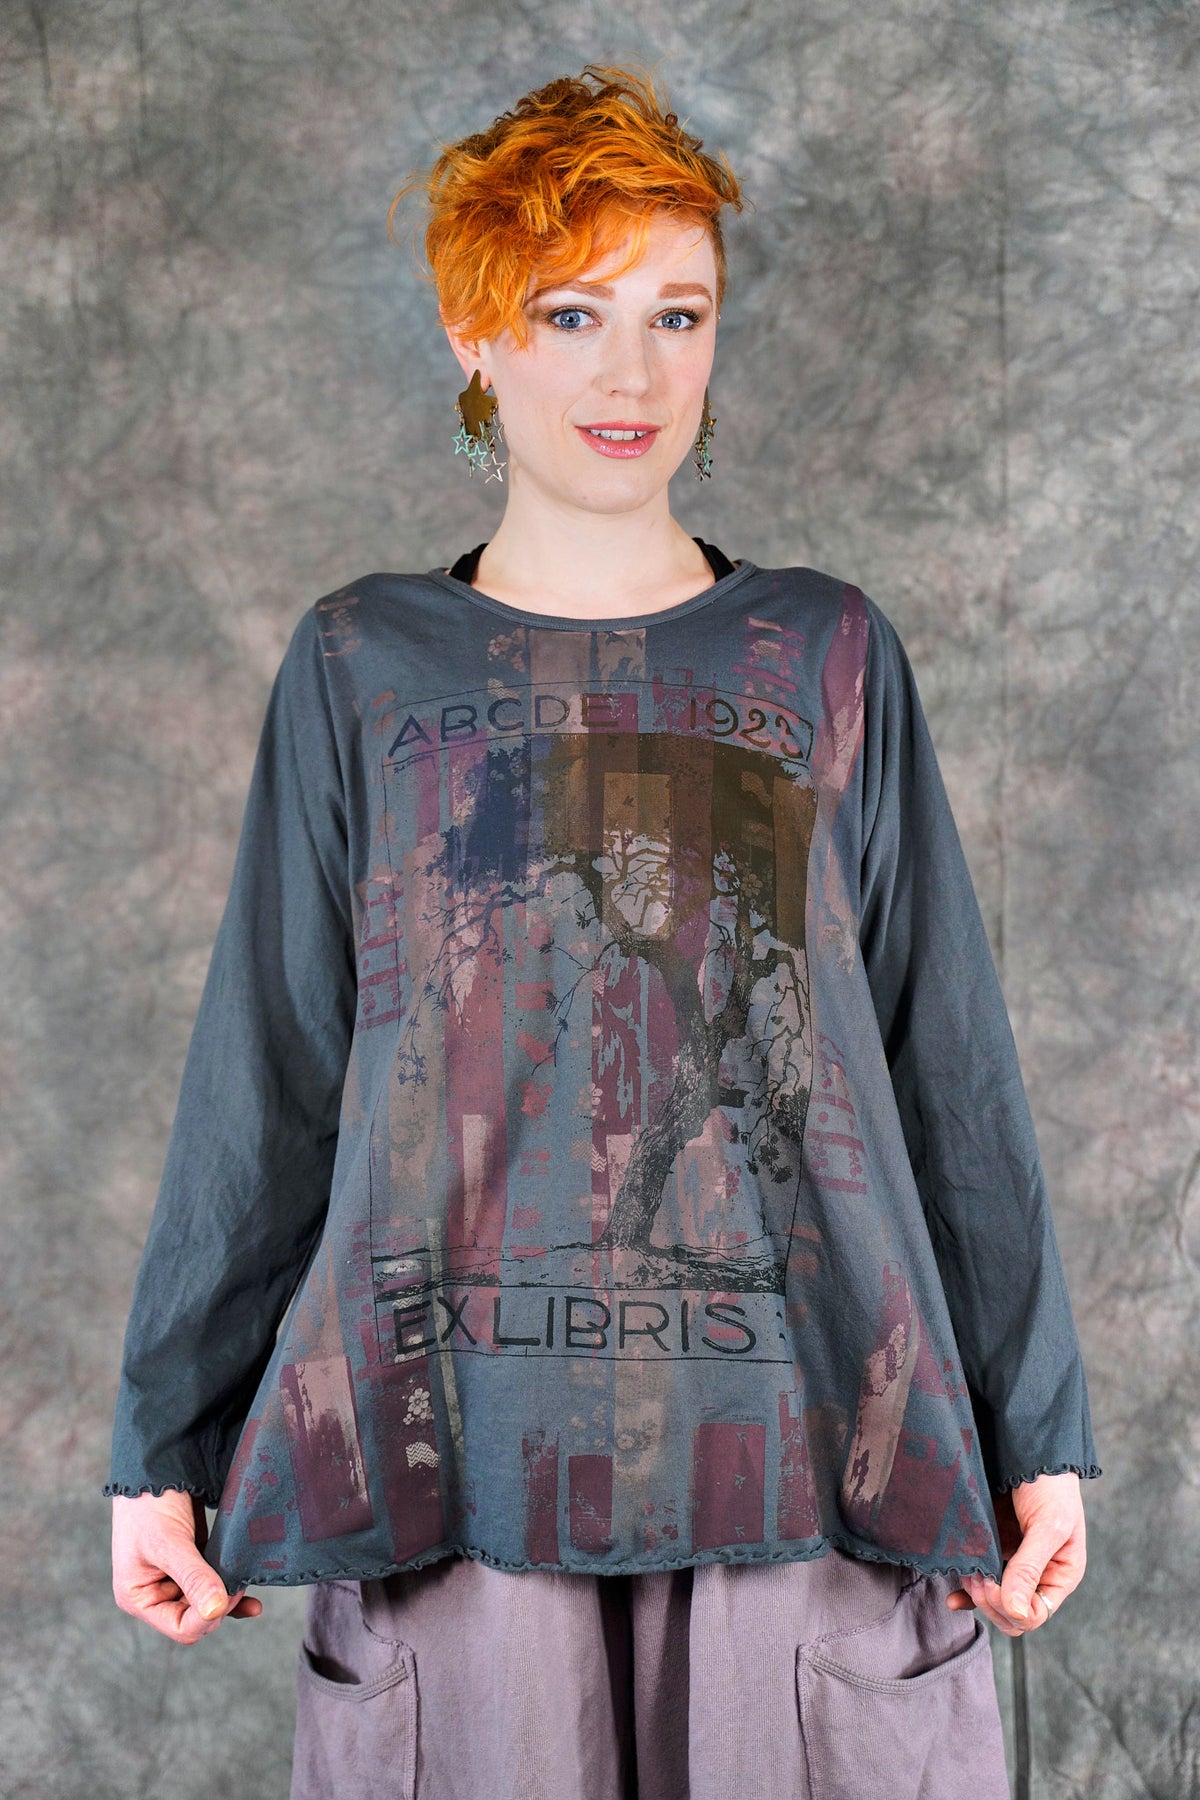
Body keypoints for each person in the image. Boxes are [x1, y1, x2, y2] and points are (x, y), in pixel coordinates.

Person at [107, 62, 1100, 1799]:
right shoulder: (360, 667)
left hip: (807, 1444)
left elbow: (943, 1063)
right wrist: (164, 1442)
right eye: (571, 315)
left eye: (676, 314)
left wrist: (1036, 1431)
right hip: (459, 1455)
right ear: (475, 336)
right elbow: (272, 1069)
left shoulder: (827, 655)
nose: (631, 374)